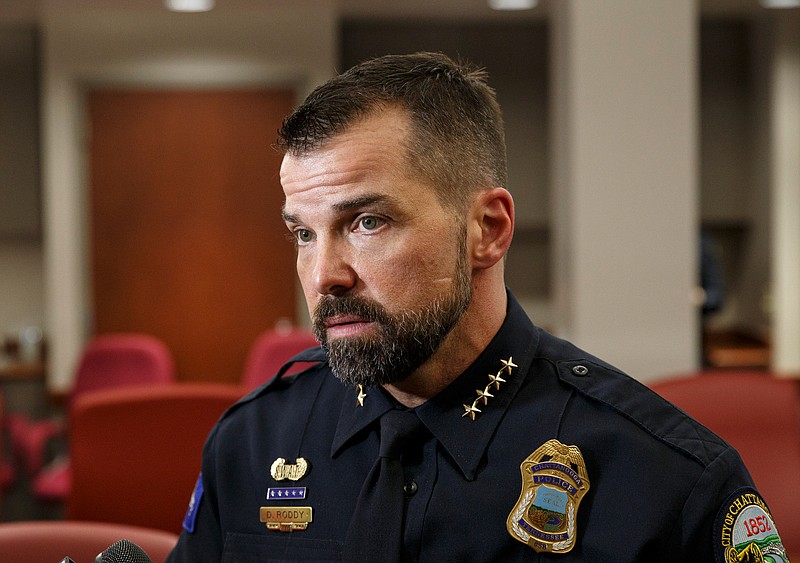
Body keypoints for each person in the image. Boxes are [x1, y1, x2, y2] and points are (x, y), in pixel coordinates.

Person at [167, 52, 788, 562]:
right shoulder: (251, 443)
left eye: (368, 221)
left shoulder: (664, 482)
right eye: (303, 233)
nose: (324, 275)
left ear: (487, 229)